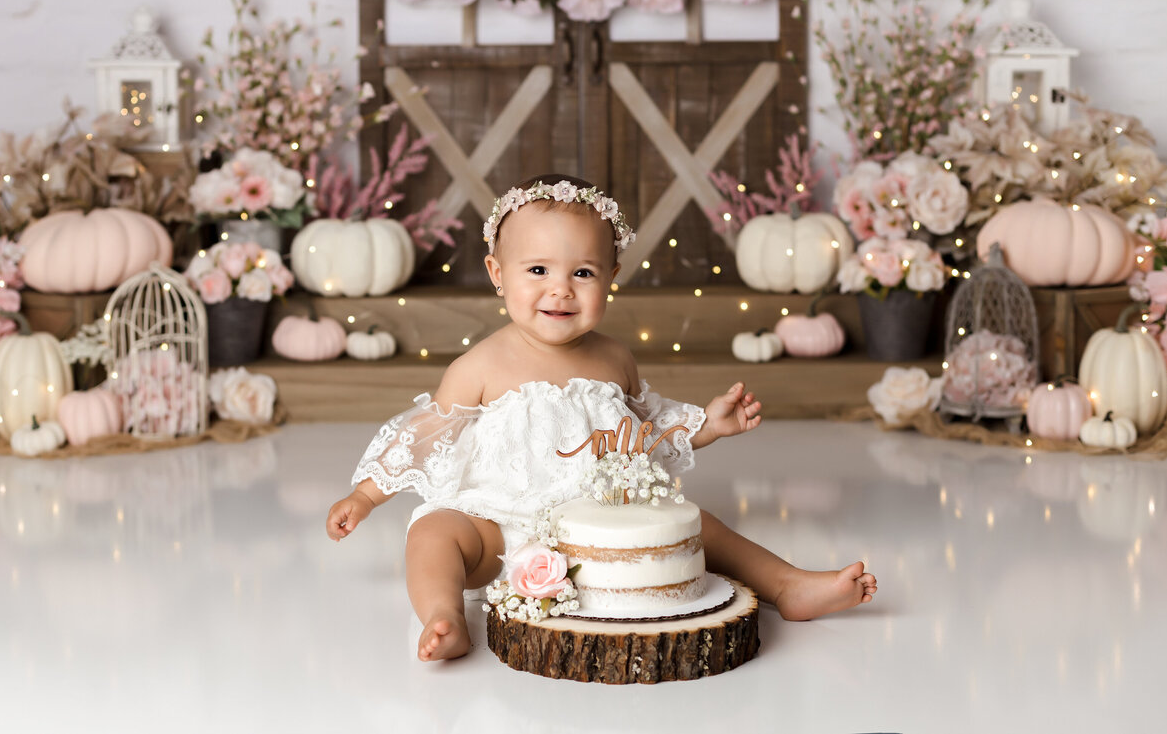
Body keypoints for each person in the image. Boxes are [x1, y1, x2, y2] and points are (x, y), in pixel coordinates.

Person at [326, 175, 877, 661]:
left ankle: (788, 585)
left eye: (583, 272)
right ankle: (443, 619)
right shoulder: (482, 364)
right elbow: (426, 437)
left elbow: (648, 431)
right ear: (497, 273)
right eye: (538, 269)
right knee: (432, 532)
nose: (561, 289)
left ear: (611, 275)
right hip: (495, 529)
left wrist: (708, 425)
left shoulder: (615, 359)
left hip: (605, 528)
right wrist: (367, 496)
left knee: (699, 525)